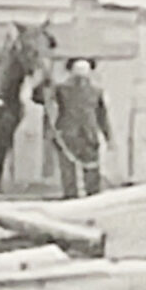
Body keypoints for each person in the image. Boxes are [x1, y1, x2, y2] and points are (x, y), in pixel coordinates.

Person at [50, 56, 112, 200]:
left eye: (84, 71)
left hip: (89, 135)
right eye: (77, 71)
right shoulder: (61, 90)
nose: (81, 75)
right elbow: (43, 101)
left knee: (92, 169)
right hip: (67, 135)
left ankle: (93, 196)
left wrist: (108, 137)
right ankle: (70, 196)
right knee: (68, 169)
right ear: (71, 72)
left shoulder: (96, 91)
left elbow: (101, 115)